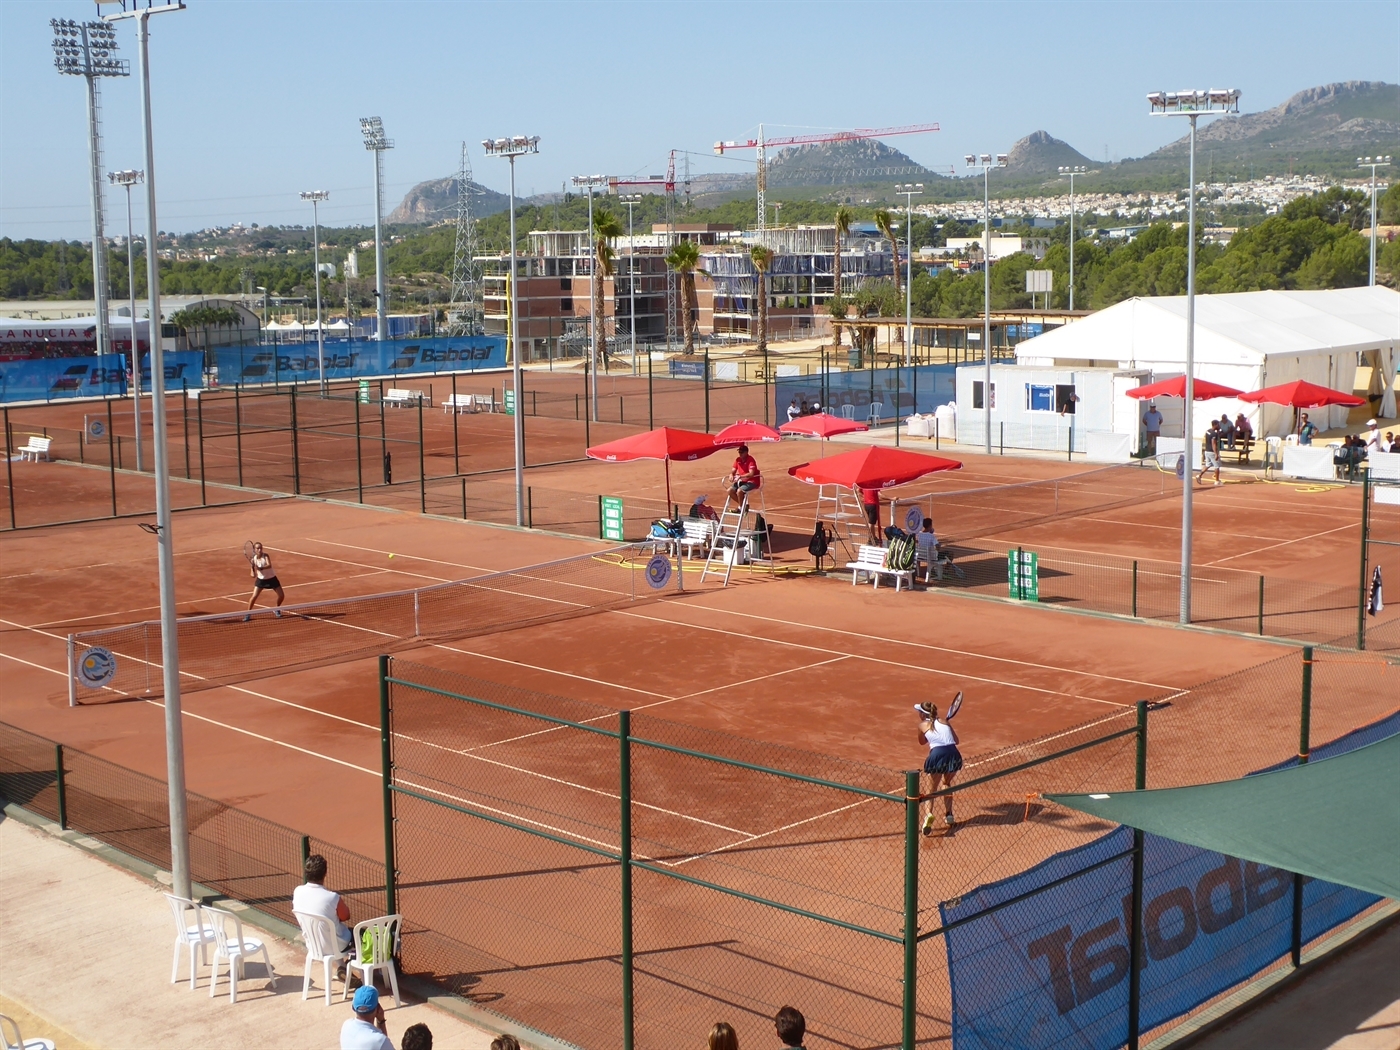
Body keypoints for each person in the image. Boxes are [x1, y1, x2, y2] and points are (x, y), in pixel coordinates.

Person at [915, 700, 962, 833]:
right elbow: (956, 741)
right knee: (946, 783)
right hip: (954, 754)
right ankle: (949, 815)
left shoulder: (922, 725)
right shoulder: (945, 721)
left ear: (923, 714)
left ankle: (928, 815)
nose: (918, 713)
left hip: (937, 755)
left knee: (931, 790)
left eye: (919, 711)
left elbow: (921, 742)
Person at [292, 853, 353, 953]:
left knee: (328, 931)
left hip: (313, 945)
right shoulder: (332, 897)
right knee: (360, 934)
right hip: (337, 947)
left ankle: (341, 966)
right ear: (325, 873)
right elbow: (346, 916)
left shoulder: (297, 891)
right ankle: (356, 964)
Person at [341, 986, 393, 1050]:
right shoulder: (379, 1040)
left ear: (353, 1008)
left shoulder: (346, 1025)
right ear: (378, 1008)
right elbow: (383, 1045)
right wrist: (381, 1020)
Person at [245, 541, 285, 619]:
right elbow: (252, 575)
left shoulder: (265, 556)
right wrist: (253, 571)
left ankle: (276, 609)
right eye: (258, 548)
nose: (260, 550)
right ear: (254, 550)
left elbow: (269, 565)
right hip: (261, 581)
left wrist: (261, 568)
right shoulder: (253, 560)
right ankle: (248, 614)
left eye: (261, 548)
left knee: (281, 596)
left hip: (272, 579)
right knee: (254, 596)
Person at [1197, 420, 1222, 486]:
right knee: (1217, 466)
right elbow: (1213, 444)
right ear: (1215, 425)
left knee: (1208, 465)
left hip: (1207, 451)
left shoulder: (1208, 431)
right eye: (1218, 424)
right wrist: (1216, 453)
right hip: (1212, 452)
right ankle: (1217, 481)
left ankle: (1199, 475)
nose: (1219, 426)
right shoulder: (1214, 434)